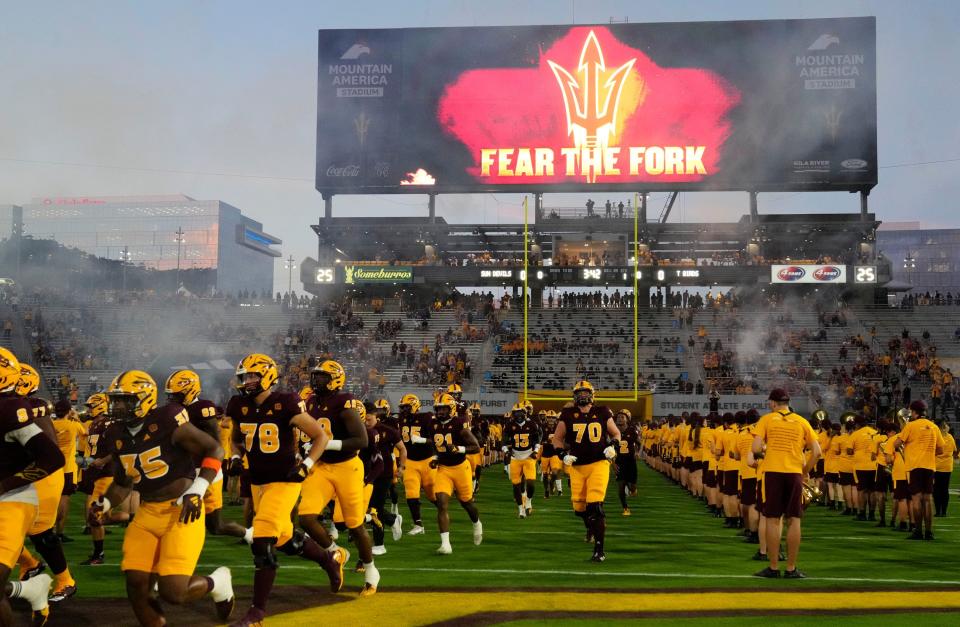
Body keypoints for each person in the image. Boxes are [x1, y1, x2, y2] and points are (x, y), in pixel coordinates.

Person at [89, 370, 235, 625]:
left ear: (145, 399)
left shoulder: (167, 419)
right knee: (136, 583)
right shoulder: (115, 433)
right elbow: (123, 482)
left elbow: (215, 449)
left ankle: (218, 582)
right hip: (146, 513)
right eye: (116, 400)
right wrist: (105, 503)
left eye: (125, 400)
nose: (118, 406)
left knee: (173, 592)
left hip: (180, 511)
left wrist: (198, 489)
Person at [227, 354, 344, 626]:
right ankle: (328, 560)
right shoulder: (238, 404)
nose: (248, 381)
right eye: (244, 377)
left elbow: (320, 436)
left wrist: (306, 464)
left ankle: (256, 614)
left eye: (253, 376)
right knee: (284, 539)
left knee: (263, 540)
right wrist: (234, 456)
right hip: (257, 481)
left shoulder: (285, 402)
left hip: (285, 480)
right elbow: (236, 438)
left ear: (268, 376)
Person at [300, 360, 380, 596]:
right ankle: (336, 552)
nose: (316, 381)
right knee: (305, 517)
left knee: (354, 525)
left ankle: (371, 570)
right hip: (321, 467)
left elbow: (361, 440)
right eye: (315, 377)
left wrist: (326, 443)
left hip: (347, 466)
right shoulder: (311, 402)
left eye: (322, 377)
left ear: (335, 379)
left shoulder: (345, 402)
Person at [0, 347, 63, 627]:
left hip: (12, 501)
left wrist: (6, 483)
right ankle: (30, 589)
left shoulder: (11, 411)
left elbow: (52, 457)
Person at [14, 365, 78, 605]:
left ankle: (66, 581)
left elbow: (47, 449)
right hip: (24, 474)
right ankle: (30, 564)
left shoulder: (31, 406)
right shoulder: (14, 405)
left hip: (43, 475)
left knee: (40, 534)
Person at [164, 370, 245, 539]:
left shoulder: (203, 408)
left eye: (177, 395)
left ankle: (248, 534)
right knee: (176, 518)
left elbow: (215, 442)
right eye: (171, 396)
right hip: (183, 471)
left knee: (215, 526)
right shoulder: (173, 411)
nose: (173, 400)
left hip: (205, 469)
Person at [749, 388, 821, 578]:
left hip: (772, 472)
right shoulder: (802, 421)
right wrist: (804, 471)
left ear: (773, 403)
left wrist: (765, 452)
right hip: (794, 473)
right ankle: (791, 568)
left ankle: (773, 567)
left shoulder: (766, 419)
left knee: (773, 520)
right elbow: (817, 452)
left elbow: (756, 447)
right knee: (794, 520)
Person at [552, 380, 620, 562]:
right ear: (574, 396)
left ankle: (600, 550)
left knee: (595, 506)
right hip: (577, 466)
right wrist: (561, 454)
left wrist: (613, 446)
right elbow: (557, 439)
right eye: (579, 392)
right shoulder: (567, 414)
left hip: (598, 464)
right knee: (580, 509)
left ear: (592, 394)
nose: (582, 395)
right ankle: (590, 527)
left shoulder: (603, 411)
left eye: (585, 392)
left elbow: (616, 433)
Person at [430, 393, 483, 554]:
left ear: (451, 409)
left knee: (467, 503)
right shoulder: (434, 425)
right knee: (441, 503)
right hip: (443, 469)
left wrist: (458, 449)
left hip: (461, 468)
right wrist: (436, 458)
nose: (440, 413)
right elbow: (435, 444)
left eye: (443, 409)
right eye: (438, 410)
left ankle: (476, 523)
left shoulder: (460, 424)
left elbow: (475, 447)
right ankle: (446, 544)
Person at [891, 400, 945, 540]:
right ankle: (929, 532)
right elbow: (940, 449)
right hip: (929, 466)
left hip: (915, 466)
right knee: (927, 499)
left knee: (916, 499)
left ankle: (918, 531)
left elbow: (897, 443)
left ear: (914, 412)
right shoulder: (933, 426)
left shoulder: (911, 426)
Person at [364, 401, 405, 554]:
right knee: (370, 507)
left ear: (376, 415)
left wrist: (401, 467)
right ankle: (392, 519)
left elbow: (402, 449)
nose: (366, 422)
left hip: (384, 473)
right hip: (366, 473)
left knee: (375, 508)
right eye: (364, 419)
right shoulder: (359, 430)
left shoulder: (388, 430)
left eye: (369, 419)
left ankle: (379, 544)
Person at [399, 393, 436, 535]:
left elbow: (436, 439)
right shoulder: (401, 420)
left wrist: (423, 440)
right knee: (411, 493)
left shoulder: (426, 417)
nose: (404, 410)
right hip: (410, 461)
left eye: (407, 407)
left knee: (432, 495)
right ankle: (418, 524)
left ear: (415, 406)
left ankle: (442, 511)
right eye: (402, 407)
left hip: (427, 460)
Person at [503, 403, 542, 518]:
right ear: (513, 414)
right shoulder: (509, 425)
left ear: (525, 413)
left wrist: (535, 451)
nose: (519, 415)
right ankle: (520, 509)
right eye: (516, 412)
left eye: (521, 412)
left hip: (529, 456)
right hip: (515, 457)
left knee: (530, 482)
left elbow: (537, 439)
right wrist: (506, 451)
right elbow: (504, 441)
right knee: (516, 486)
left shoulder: (532, 424)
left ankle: (529, 501)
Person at [614, 409, 640, 515]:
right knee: (621, 485)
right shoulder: (613, 431)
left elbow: (639, 443)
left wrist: (638, 452)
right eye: (618, 417)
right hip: (619, 461)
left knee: (631, 485)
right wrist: (612, 463)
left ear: (627, 419)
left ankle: (633, 489)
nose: (619, 419)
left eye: (622, 417)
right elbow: (608, 447)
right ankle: (625, 508)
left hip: (630, 461)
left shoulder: (632, 430)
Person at [933, 420, 957, 517]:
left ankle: (938, 511)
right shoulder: (950, 437)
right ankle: (944, 512)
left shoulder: (936, 437)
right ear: (944, 427)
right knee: (944, 489)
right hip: (947, 467)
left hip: (937, 466)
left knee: (936, 489)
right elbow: (955, 450)